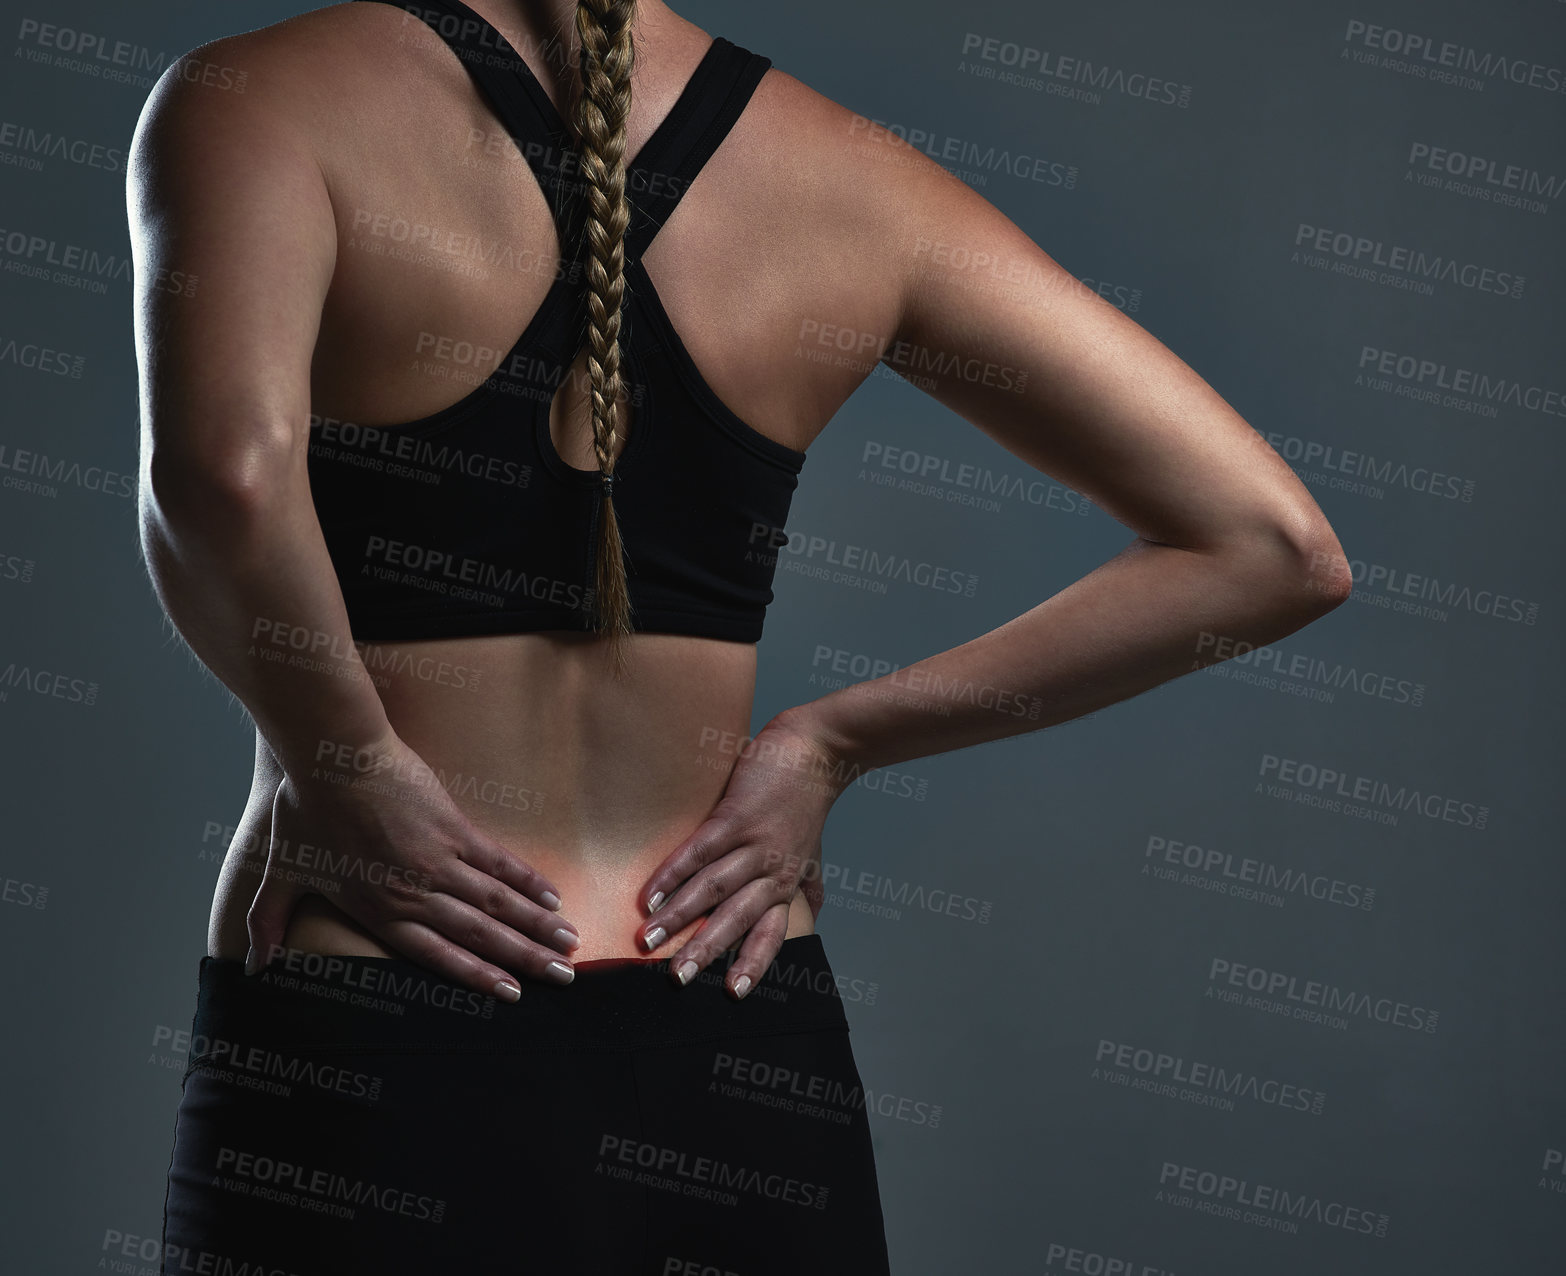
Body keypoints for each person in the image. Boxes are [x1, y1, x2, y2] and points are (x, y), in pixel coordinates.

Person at [128, 0, 1352, 1270]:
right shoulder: (850, 175)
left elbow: (223, 476)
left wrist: (346, 761)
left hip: (392, 1002)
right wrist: (834, 744)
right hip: (734, 1029)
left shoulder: (255, 98)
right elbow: (1272, 547)